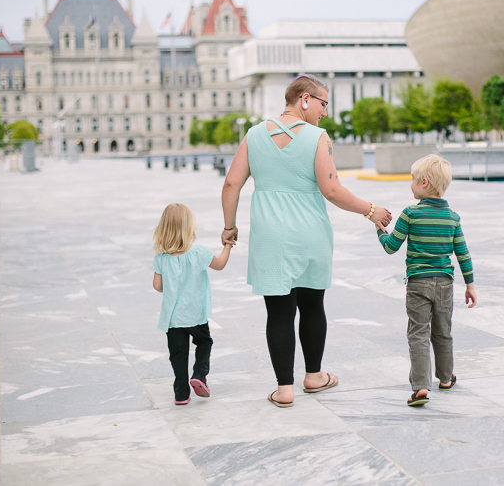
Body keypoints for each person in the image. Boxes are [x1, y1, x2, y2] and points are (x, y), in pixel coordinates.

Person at [221, 74, 393, 408]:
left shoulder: (254, 134)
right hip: (310, 234)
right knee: (313, 305)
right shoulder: (317, 138)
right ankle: (313, 377)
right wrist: (370, 210)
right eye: (322, 103)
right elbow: (331, 190)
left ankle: (284, 389)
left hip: (269, 237)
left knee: (278, 312)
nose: (324, 112)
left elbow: (231, 184)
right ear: (304, 99)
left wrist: (229, 227)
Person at [375, 154, 477, 406]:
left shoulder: (410, 213)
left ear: (423, 182)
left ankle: (421, 387)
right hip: (444, 283)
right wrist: (470, 285)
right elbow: (463, 253)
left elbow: (390, 247)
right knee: (443, 332)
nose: (410, 183)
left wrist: (378, 227)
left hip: (418, 283)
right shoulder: (453, 218)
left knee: (418, 334)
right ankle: (445, 378)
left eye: (412, 179)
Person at [152, 203, 232, 405]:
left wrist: (171, 284)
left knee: (177, 355)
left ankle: (181, 393)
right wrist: (228, 246)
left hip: (173, 319)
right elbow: (220, 265)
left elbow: (157, 286)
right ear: (190, 227)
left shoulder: (161, 258)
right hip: (195, 314)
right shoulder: (200, 253)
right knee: (204, 343)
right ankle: (199, 376)